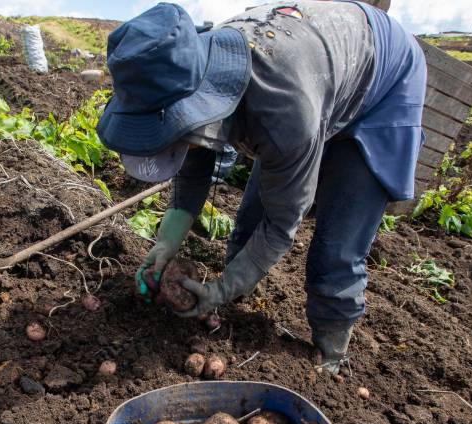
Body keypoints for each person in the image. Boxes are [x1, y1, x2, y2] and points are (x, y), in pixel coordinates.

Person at [97, 1, 427, 374]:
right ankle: (237, 307)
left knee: (336, 249)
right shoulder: (179, 73)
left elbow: (282, 222)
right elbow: (192, 159)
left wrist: (220, 289)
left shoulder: (282, 111)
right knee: (248, 225)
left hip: (380, 80)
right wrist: (167, 240)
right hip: (310, 72)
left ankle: (330, 355)